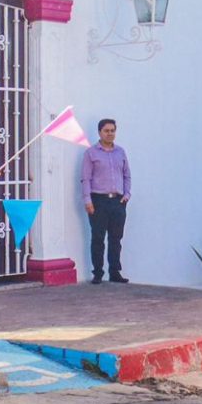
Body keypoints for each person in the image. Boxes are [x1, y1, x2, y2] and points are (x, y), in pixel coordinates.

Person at [81, 117, 131, 283]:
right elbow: (86, 178)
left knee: (116, 239)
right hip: (98, 201)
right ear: (99, 132)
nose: (110, 134)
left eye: (112, 131)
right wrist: (87, 200)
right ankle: (98, 273)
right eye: (106, 131)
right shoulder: (91, 153)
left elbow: (127, 175)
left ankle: (115, 272)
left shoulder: (120, 152)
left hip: (118, 201)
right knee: (98, 238)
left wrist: (127, 195)